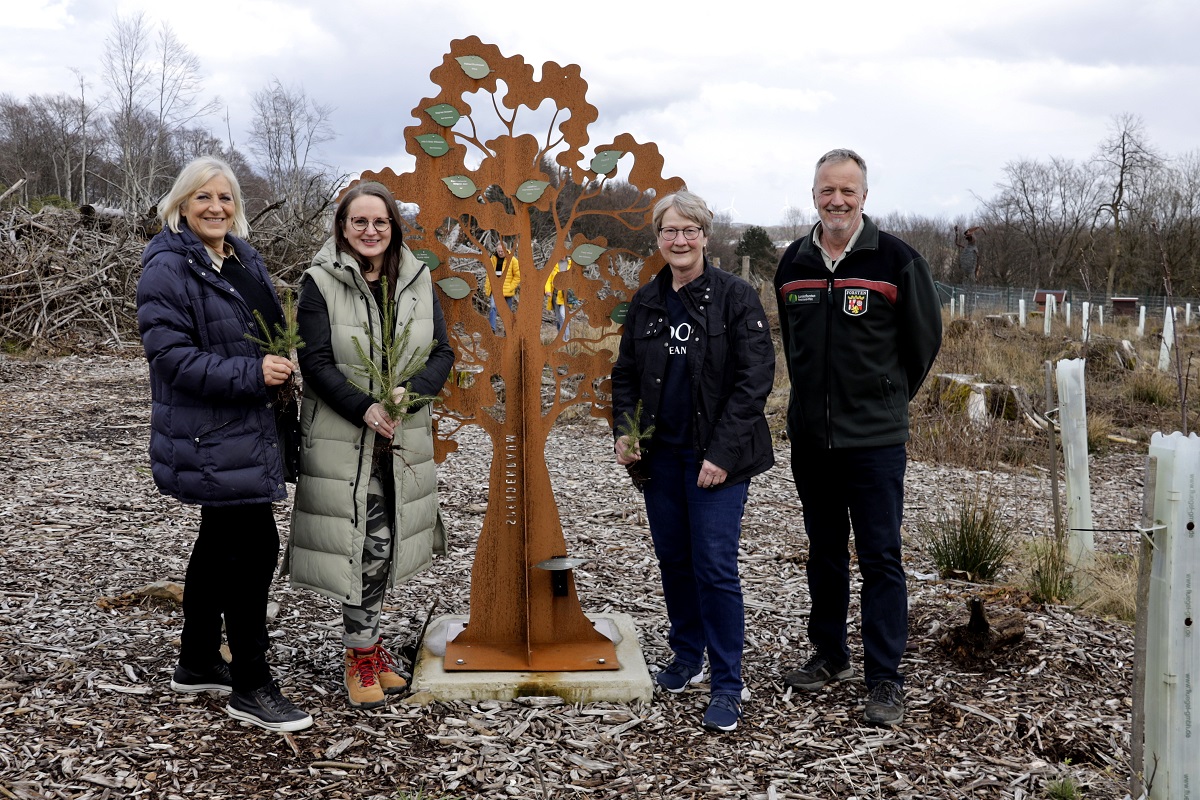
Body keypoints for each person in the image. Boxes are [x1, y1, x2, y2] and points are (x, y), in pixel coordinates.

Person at [136, 155, 312, 733]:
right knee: (253, 548)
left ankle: (196, 660)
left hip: (250, 426)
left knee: (220, 541)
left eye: (226, 198)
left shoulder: (242, 257)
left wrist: (284, 361)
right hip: (212, 430)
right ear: (181, 205)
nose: (216, 208)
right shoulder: (167, 266)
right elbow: (170, 357)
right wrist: (252, 374)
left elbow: (260, 331)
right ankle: (252, 685)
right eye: (203, 198)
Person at [773, 148, 942, 726]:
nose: (837, 201)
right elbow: (794, 350)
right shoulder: (792, 264)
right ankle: (829, 656)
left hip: (874, 442)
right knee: (823, 552)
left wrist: (886, 400)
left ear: (865, 196)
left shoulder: (897, 261)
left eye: (848, 191)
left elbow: (922, 345)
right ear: (814, 194)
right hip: (811, 442)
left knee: (880, 557)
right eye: (827, 191)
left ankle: (885, 677)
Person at [611, 190, 775, 733]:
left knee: (714, 568)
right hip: (664, 459)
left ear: (705, 235)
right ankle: (687, 656)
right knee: (675, 563)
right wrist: (627, 431)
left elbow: (754, 384)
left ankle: (729, 682)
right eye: (668, 232)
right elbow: (626, 375)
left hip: (718, 463)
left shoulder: (736, 298)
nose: (679, 240)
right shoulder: (647, 301)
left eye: (689, 230)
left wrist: (722, 455)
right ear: (657, 239)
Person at [288, 181, 454, 710]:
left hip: (400, 438)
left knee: (384, 549)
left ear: (394, 227)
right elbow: (313, 363)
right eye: (358, 222)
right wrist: (363, 405)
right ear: (342, 227)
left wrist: (413, 392)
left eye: (379, 222)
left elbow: (442, 353)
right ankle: (359, 652)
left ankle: (368, 645)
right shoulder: (319, 283)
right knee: (368, 546)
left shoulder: (417, 279)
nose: (370, 231)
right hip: (346, 438)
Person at [483, 239, 520, 332]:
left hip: (508, 291)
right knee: (493, 307)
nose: (500, 253)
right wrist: (487, 288)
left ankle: (508, 330)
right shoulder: (493, 259)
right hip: (495, 290)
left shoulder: (513, 260)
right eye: (498, 251)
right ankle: (492, 329)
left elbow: (518, 276)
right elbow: (489, 275)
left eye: (502, 251)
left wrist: (510, 287)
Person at [544, 256, 573, 340]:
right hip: (555, 295)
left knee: (564, 315)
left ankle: (565, 338)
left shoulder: (572, 264)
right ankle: (560, 336)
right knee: (559, 317)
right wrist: (547, 290)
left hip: (567, 295)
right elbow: (548, 279)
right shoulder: (553, 264)